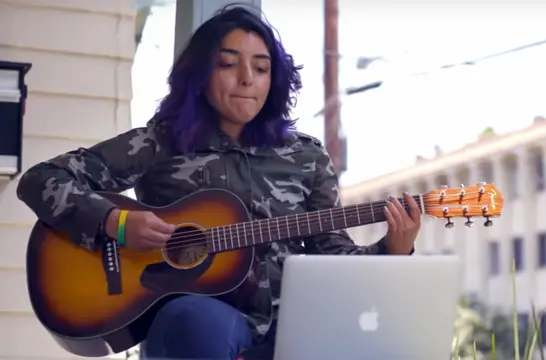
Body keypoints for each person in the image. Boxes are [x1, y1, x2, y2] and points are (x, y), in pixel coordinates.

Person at [16, 4, 421, 360]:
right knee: (195, 321)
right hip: (196, 322)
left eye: (261, 68)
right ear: (200, 75)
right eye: (229, 64)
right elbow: (41, 178)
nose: (247, 78)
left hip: (289, 323)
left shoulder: (306, 156)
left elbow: (330, 256)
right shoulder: (159, 143)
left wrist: (392, 249)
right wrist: (117, 224)